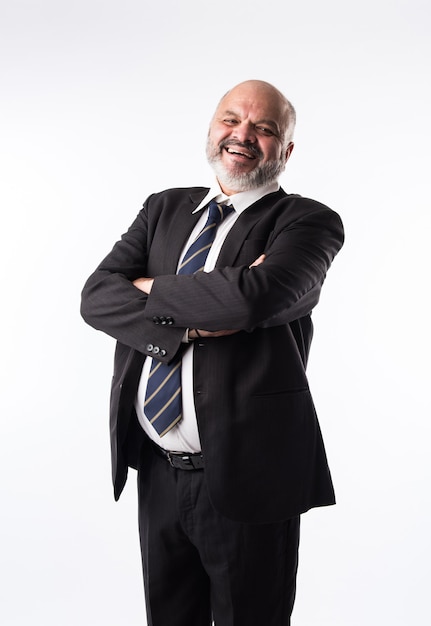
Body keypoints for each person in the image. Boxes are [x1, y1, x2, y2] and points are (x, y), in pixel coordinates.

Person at [80, 79, 344, 626]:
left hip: (250, 475)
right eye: (231, 120)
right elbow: (97, 297)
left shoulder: (307, 222)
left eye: (265, 128)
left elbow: (254, 299)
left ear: (286, 150)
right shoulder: (163, 209)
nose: (242, 135)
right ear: (211, 130)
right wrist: (193, 324)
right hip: (157, 469)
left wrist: (151, 287)